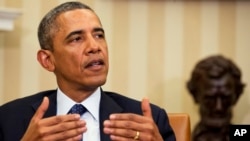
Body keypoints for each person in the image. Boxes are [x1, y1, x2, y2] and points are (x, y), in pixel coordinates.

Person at [0, 1, 175, 141]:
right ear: (48, 60)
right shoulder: (8, 120)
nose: (94, 47)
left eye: (99, 35)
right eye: (76, 39)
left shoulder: (148, 121)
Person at [187, 55, 245, 141]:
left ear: (236, 96)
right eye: (210, 99)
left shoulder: (243, 134)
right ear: (195, 95)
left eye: (225, 98)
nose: (219, 107)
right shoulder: (181, 137)